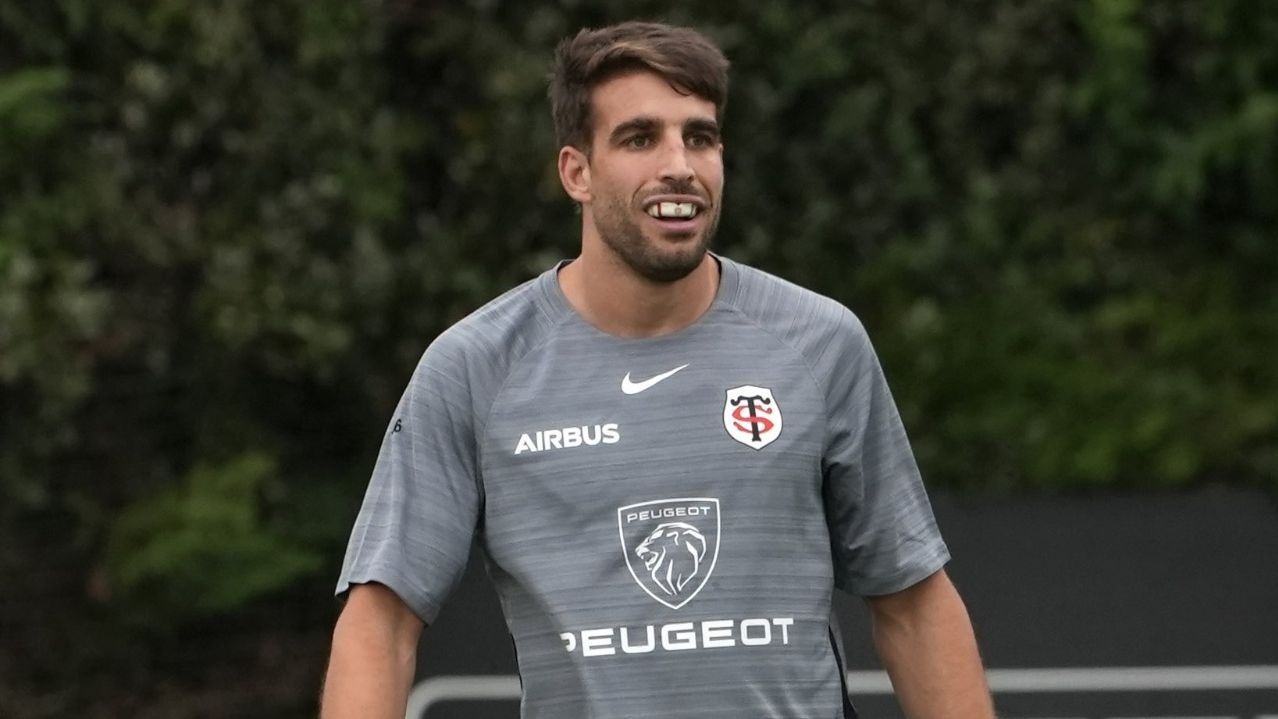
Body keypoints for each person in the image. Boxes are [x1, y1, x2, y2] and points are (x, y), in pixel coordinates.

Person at [321, 20, 995, 719]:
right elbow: (381, 623)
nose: (679, 163)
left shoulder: (820, 342)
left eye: (699, 137)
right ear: (576, 172)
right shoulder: (476, 366)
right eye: (640, 138)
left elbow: (914, 602)